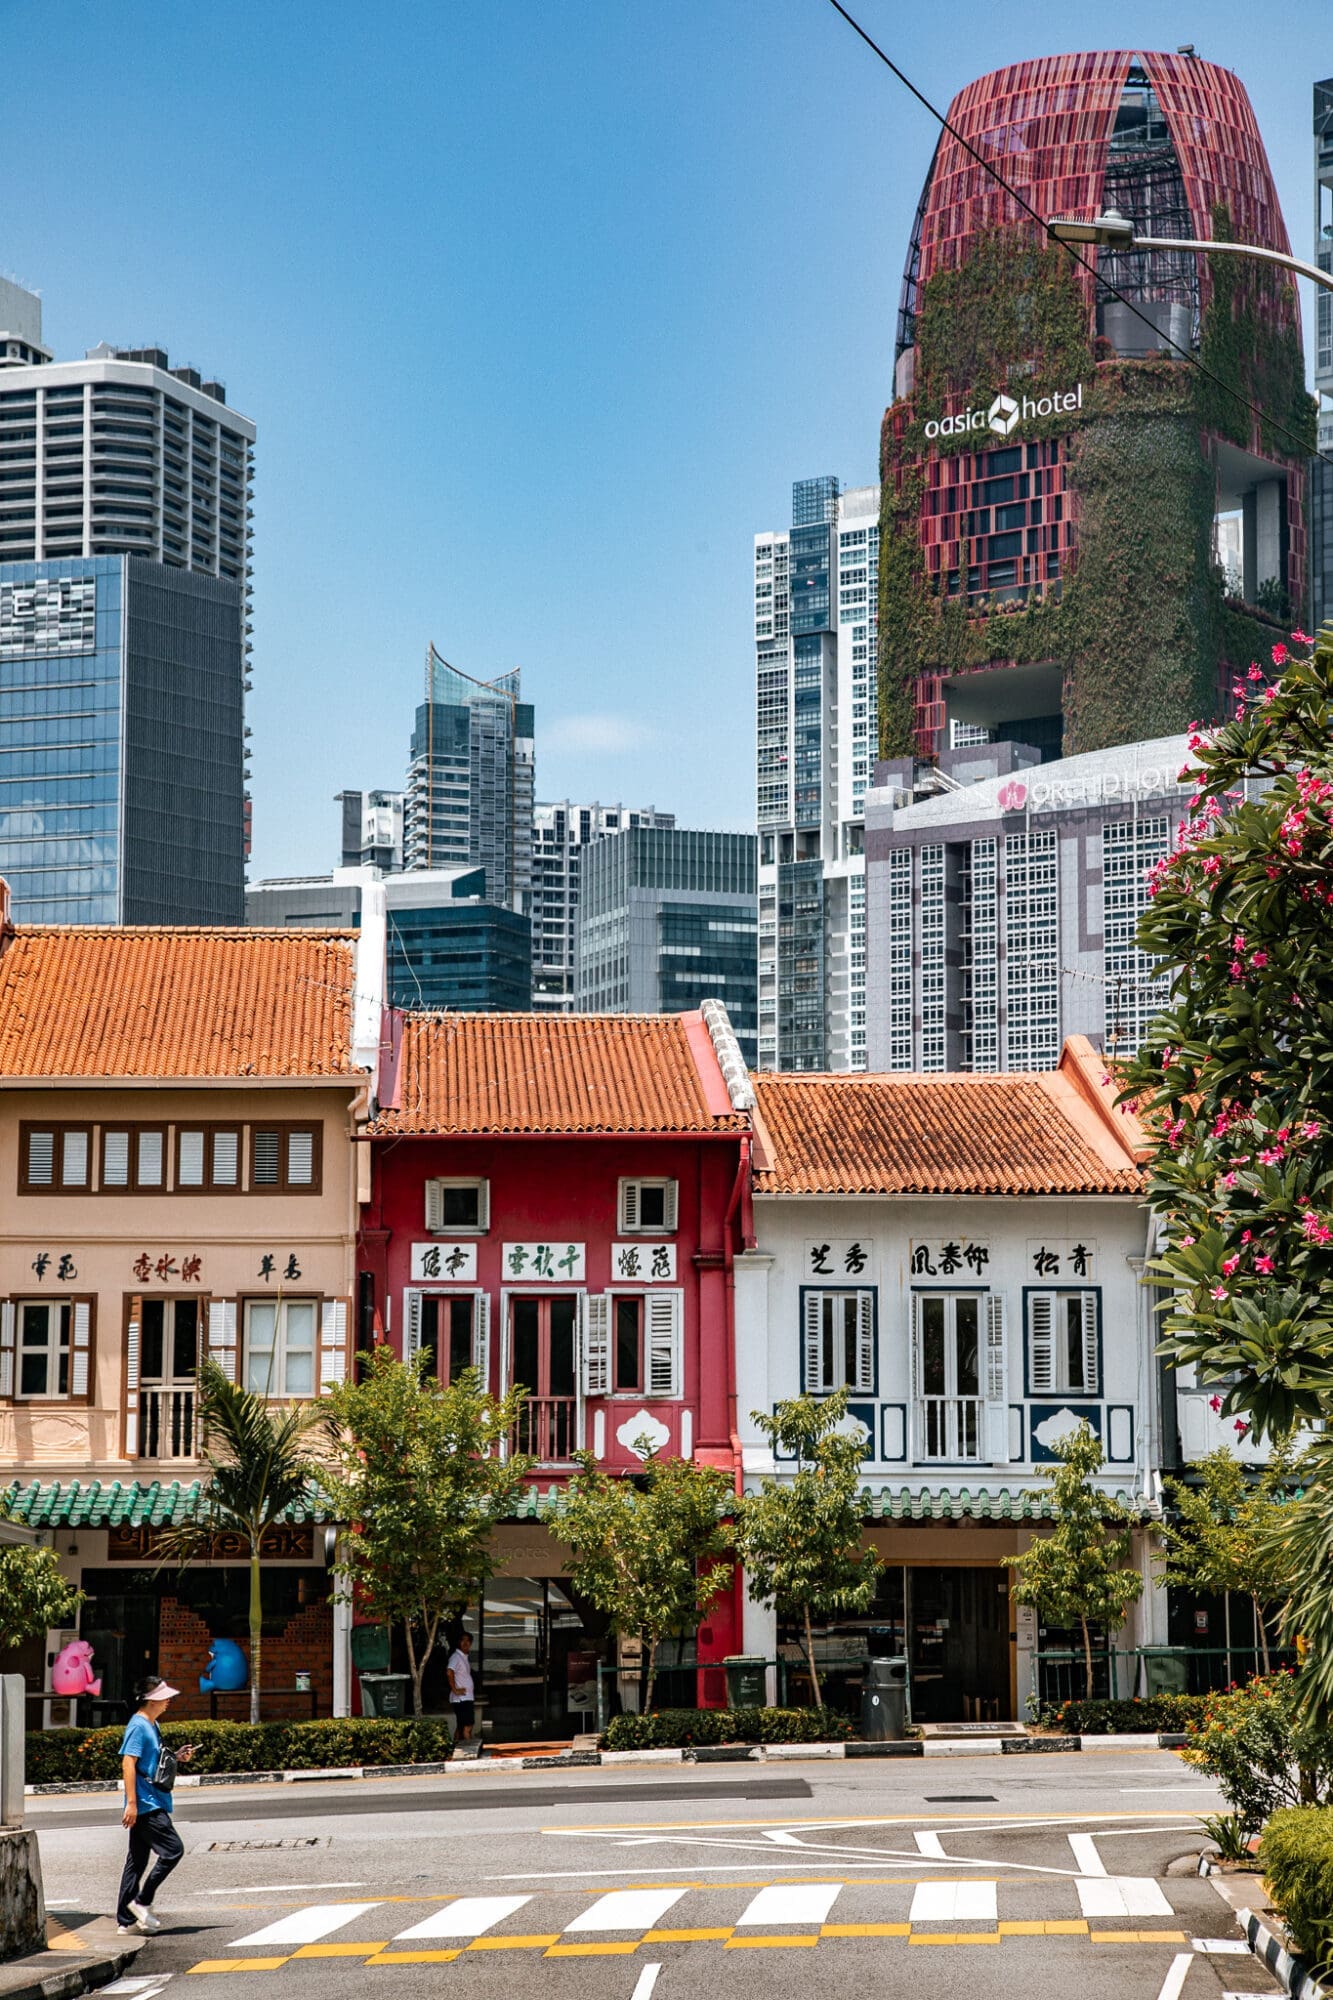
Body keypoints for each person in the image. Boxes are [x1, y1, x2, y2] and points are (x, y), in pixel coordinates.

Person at [116, 1677, 193, 1934]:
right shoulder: (138, 1726)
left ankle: (125, 1922)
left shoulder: (152, 1723)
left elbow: (153, 1760)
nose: (169, 1701)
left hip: (152, 1799)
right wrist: (132, 1804)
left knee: (136, 1861)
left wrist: (177, 1756)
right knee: (173, 1850)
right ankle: (142, 1901)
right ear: (151, 1700)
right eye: (164, 1696)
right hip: (146, 1804)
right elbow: (128, 1763)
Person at [446, 1631, 475, 1742]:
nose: (465, 1643)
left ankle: (456, 1746)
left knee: (461, 1726)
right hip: (462, 1698)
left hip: (466, 1697)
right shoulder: (456, 1657)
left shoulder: (463, 1657)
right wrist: (455, 1689)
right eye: (463, 1640)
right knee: (467, 1726)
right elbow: (449, 1672)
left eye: (468, 1640)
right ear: (459, 1642)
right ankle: (469, 1748)